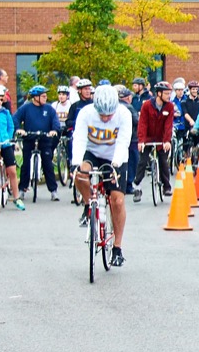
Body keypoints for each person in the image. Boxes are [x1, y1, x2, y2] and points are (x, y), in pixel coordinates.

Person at [72, 85, 132, 267]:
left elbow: (123, 142)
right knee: (80, 173)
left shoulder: (124, 114)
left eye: (109, 115)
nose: (105, 118)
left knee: (117, 201)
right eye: (102, 115)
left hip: (115, 157)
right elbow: (80, 138)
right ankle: (87, 203)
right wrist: (76, 162)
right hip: (92, 153)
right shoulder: (86, 113)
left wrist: (115, 164)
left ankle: (117, 248)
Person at [13, 85, 61, 200]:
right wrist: (19, 129)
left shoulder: (49, 109)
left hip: (45, 139)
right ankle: (22, 189)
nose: (46, 98)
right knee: (25, 163)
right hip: (29, 138)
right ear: (35, 97)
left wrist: (54, 130)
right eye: (43, 96)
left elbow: (56, 121)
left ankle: (53, 191)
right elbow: (15, 119)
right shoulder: (26, 108)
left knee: (48, 164)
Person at [133, 81, 175, 201]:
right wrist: (141, 141)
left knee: (163, 161)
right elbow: (142, 123)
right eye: (166, 93)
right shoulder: (146, 105)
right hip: (148, 137)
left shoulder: (169, 106)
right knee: (142, 160)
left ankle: (166, 187)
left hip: (162, 138)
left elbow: (168, 125)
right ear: (159, 94)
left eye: (169, 93)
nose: (168, 96)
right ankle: (137, 185)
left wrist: (167, 141)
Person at [0, 85, 24, 210]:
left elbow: (11, 127)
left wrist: (9, 138)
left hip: (5, 143)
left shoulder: (5, 113)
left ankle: (16, 197)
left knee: (12, 171)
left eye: (1, 100)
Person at [117, 86, 140, 193]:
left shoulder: (116, 107)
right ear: (128, 98)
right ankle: (129, 184)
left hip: (118, 138)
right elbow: (137, 121)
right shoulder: (129, 107)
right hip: (132, 138)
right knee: (132, 162)